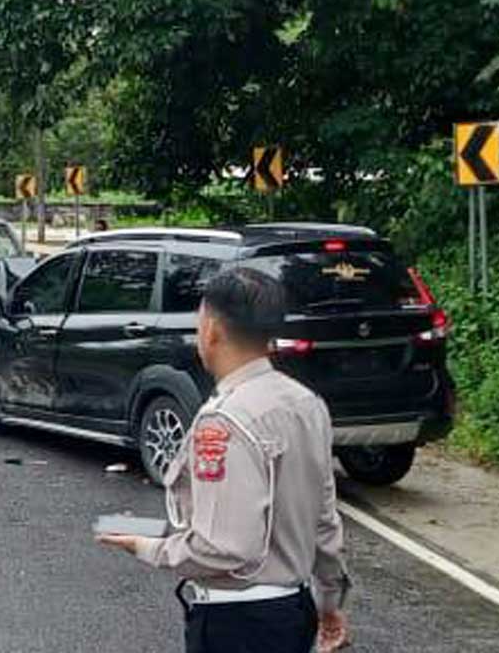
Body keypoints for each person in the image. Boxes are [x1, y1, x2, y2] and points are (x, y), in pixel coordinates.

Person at [97, 268, 351, 653]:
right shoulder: (306, 404)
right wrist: (330, 600)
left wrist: (147, 547)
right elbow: (324, 520)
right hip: (295, 611)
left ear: (212, 329)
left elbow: (226, 548)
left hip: (239, 624)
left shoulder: (224, 421)